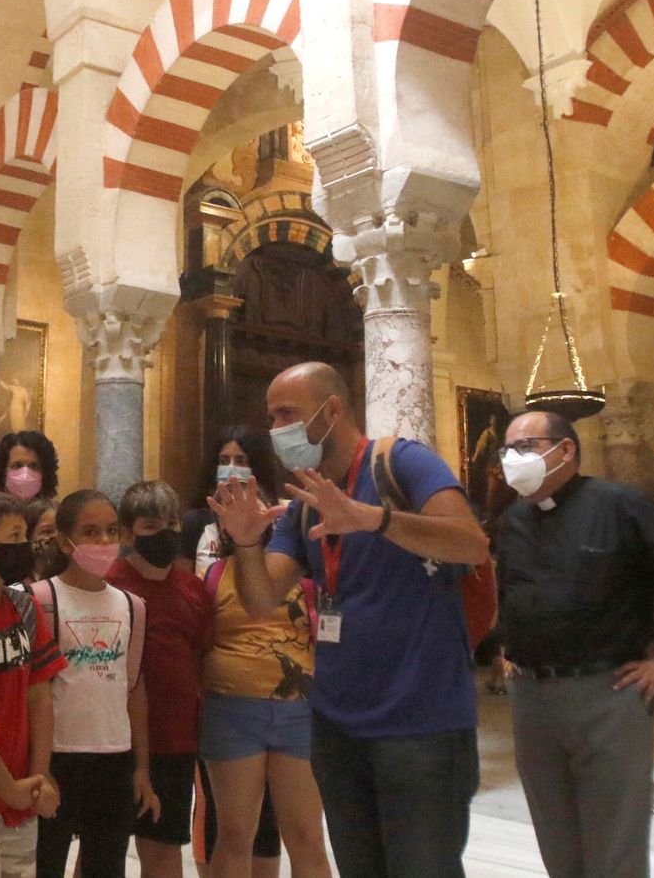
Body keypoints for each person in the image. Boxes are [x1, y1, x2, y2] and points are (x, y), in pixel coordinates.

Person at [208, 362, 489, 878]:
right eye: (271, 417)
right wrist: (247, 542)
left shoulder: (402, 462)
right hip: (338, 727)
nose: (276, 429)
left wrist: (373, 518)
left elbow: (471, 542)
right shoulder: (305, 503)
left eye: (287, 413)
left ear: (331, 410)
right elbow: (263, 597)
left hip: (420, 724)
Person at [492, 410, 654, 878]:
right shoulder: (514, 519)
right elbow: (511, 593)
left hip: (606, 692)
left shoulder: (618, 504)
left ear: (566, 450)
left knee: (614, 843)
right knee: (556, 838)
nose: (514, 459)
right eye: (507, 450)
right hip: (533, 698)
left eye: (526, 447)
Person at [192, 499, 329, 878]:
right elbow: (202, 640)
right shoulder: (215, 573)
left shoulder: (302, 574)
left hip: (299, 712)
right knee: (235, 835)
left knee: (306, 836)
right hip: (232, 713)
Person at [31, 490, 157, 878]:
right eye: (90, 532)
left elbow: (132, 687)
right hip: (57, 756)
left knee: (107, 865)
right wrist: (39, 768)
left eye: (111, 531)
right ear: (65, 541)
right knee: (45, 862)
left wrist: (141, 769)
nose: (103, 542)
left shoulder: (132, 606)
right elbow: (34, 692)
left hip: (114, 756)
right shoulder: (39, 598)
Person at [105, 481, 212, 878]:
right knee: (103, 852)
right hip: (112, 742)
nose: (165, 533)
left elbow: (201, 659)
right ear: (129, 532)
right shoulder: (107, 587)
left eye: (171, 523)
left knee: (164, 855)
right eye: (152, 525)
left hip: (174, 742)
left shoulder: (192, 590)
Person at [0, 491, 66, 878]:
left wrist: (37, 779)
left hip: (22, 789)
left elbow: (39, 694)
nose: (25, 547)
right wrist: (8, 788)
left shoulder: (23, 606)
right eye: (15, 537)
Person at [179, 428, 283, 578]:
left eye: (240, 461)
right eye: (223, 461)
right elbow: (185, 582)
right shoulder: (195, 521)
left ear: (256, 468)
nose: (231, 468)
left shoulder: (275, 519)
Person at [0, 431, 59, 501]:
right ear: (2, 471)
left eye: (33, 466)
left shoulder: (55, 513)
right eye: (17, 465)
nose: (25, 475)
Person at [24, 497, 58, 582]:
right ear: (28, 536)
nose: (57, 537)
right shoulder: (17, 583)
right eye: (47, 531)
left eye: (63, 530)